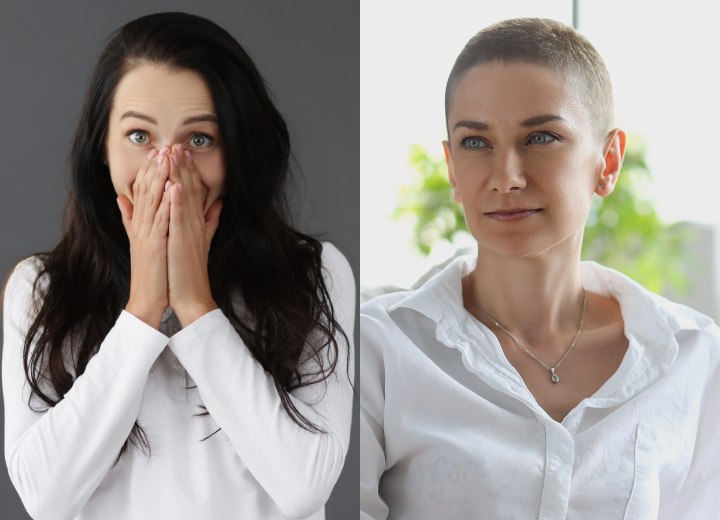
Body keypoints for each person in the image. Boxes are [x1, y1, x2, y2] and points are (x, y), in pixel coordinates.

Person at [360, 17, 720, 519]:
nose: (506, 176)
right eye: (475, 142)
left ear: (608, 161)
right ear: (451, 170)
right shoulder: (378, 349)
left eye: (542, 138)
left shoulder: (694, 359)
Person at [2, 12, 355, 520]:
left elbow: (303, 487)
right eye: (139, 137)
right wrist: (143, 308)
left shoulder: (315, 274)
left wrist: (195, 304)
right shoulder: (40, 287)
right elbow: (45, 498)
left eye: (200, 140)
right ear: (102, 147)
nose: (168, 170)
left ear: (235, 152)